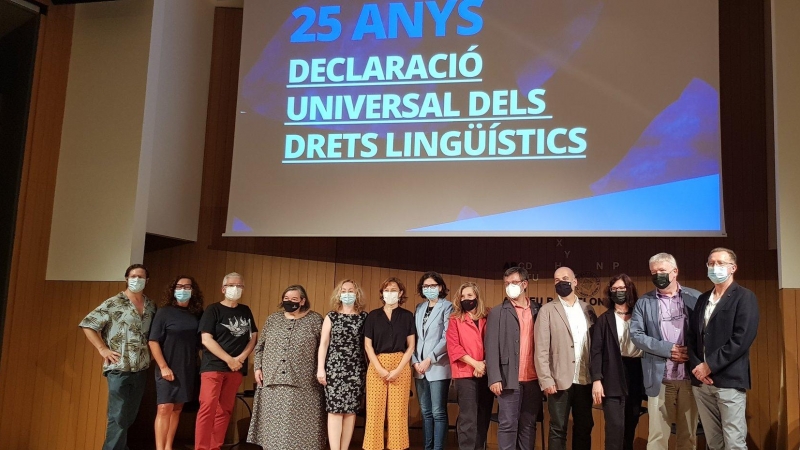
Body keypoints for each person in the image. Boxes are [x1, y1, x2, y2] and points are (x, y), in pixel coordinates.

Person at [687, 248, 760, 450]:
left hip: (728, 379)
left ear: (733, 268)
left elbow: (741, 339)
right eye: (711, 263)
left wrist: (709, 366)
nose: (714, 267)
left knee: (734, 441)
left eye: (720, 263)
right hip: (701, 382)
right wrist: (697, 367)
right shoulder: (702, 299)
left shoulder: (744, 297)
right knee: (713, 441)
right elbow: (692, 336)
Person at [79, 264, 156, 450]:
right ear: (126, 278)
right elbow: (88, 324)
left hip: (141, 368)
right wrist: (102, 349)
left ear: (147, 280)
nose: (136, 279)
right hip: (118, 367)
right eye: (133, 276)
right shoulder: (114, 303)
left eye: (140, 276)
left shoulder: (151, 305)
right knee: (118, 415)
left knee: (129, 416)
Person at [630, 253, 701, 450]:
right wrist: (668, 349)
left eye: (662, 271)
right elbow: (636, 334)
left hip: (689, 377)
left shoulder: (695, 297)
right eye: (654, 272)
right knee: (658, 436)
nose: (658, 275)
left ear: (675, 272)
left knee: (688, 436)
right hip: (660, 379)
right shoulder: (644, 302)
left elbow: (707, 333)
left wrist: (691, 351)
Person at [248, 284, 325, 449]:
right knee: (273, 425)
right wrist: (258, 368)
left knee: (300, 425)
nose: (290, 302)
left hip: (305, 384)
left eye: (294, 299)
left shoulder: (315, 320)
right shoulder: (273, 319)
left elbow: (324, 348)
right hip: (272, 381)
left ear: (303, 301)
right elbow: (260, 346)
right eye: (286, 299)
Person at [534, 266, 596, 450]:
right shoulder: (547, 310)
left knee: (584, 427)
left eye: (565, 278)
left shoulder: (588, 309)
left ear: (575, 282)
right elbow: (541, 349)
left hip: (585, 380)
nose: (561, 282)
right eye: (557, 280)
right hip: (558, 380)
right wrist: (546, 379)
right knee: (558, 429)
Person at [195, 272, 258, 450]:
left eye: (239, 286)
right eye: (232, 285)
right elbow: (206, 339)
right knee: (207, 408)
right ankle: (202, 447)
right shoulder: (213, 309)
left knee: (225, 409)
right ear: (223, 289)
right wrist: (229, 359)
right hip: (213, 367)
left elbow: (253, 336)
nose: (236, 288)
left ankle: (216, 446)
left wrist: (241, 358)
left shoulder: (245, 310)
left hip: (236, 368)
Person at [485, 266, 542, 450]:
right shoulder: (497, 312)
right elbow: (491, 346)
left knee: (528, 425)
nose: (510, 287)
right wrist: (494, 377)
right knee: (508, 424)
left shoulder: (538, 310)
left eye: (514, 283)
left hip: (533, 379)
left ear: (524, 284)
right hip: (508, 378)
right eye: (507, 284)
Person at [148, 275, 204, 450]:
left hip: (187, 367)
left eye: (187, 287)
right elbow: (153, 341)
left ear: (193, 291)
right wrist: (163, 366)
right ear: (173, 290)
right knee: (164, 407)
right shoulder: (164, 312)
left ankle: (168, 447)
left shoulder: (197, 314)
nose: (183, 290)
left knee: (177, 408)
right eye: (179, 287)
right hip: (167, 365)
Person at [590, 274, 644, 450]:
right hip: (612, 374)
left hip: (636, 374)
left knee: (630, 428)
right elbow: (596, 351)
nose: (618, 292)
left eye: (622, 289)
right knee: (615, 429)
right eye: (614, 289)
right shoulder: (604, 320)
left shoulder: (640, 315)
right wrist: (597, 380)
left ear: (629, 290)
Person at [363, 277, 416, 450]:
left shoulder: (407, 316)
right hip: (377, 363)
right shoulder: (373, 316)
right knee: (374, 412)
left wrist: (399, 368)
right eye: (387, 290)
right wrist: (378, 368)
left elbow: (411, 346)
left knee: (398, 413)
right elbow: (368, 345)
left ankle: (397, 447)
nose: (390, 293)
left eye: (394, 290)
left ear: (400, 293)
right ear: (382, 293)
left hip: (400, 364)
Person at [316, 280, 369, 450]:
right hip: (334, 369)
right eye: (344, 290)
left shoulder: (364, 317)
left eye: (351, 290)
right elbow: (323, 344)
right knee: (334, 410)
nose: (347, 293)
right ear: (339, 294)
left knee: (350, 411)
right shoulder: (331, 316)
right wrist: (320, 368)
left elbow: (368, 345)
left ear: (357, 293)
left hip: (356, 369)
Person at [447, 282, 494, 450]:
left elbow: (494, 342)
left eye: (469, 295)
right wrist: (475, 364)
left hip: (487, 373)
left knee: (483, 417)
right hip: (465, 373)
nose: (466, 299)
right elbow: (454, 347)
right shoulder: (454, 319)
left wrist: (485, 364)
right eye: (463, 296)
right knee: (468, 419)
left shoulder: (488, 315)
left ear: (477, 297)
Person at [412, 271, 453, 450]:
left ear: (441, 287)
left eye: (433, 286)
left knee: (438, 412)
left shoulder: (447, 306)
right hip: (418, 367)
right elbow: (412, 337)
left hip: (437, 366)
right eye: (426, 286)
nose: (429, 289)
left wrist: (429, 359)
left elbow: (446, 337)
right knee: (426, 413)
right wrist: (415, 361)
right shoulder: (419, 308)